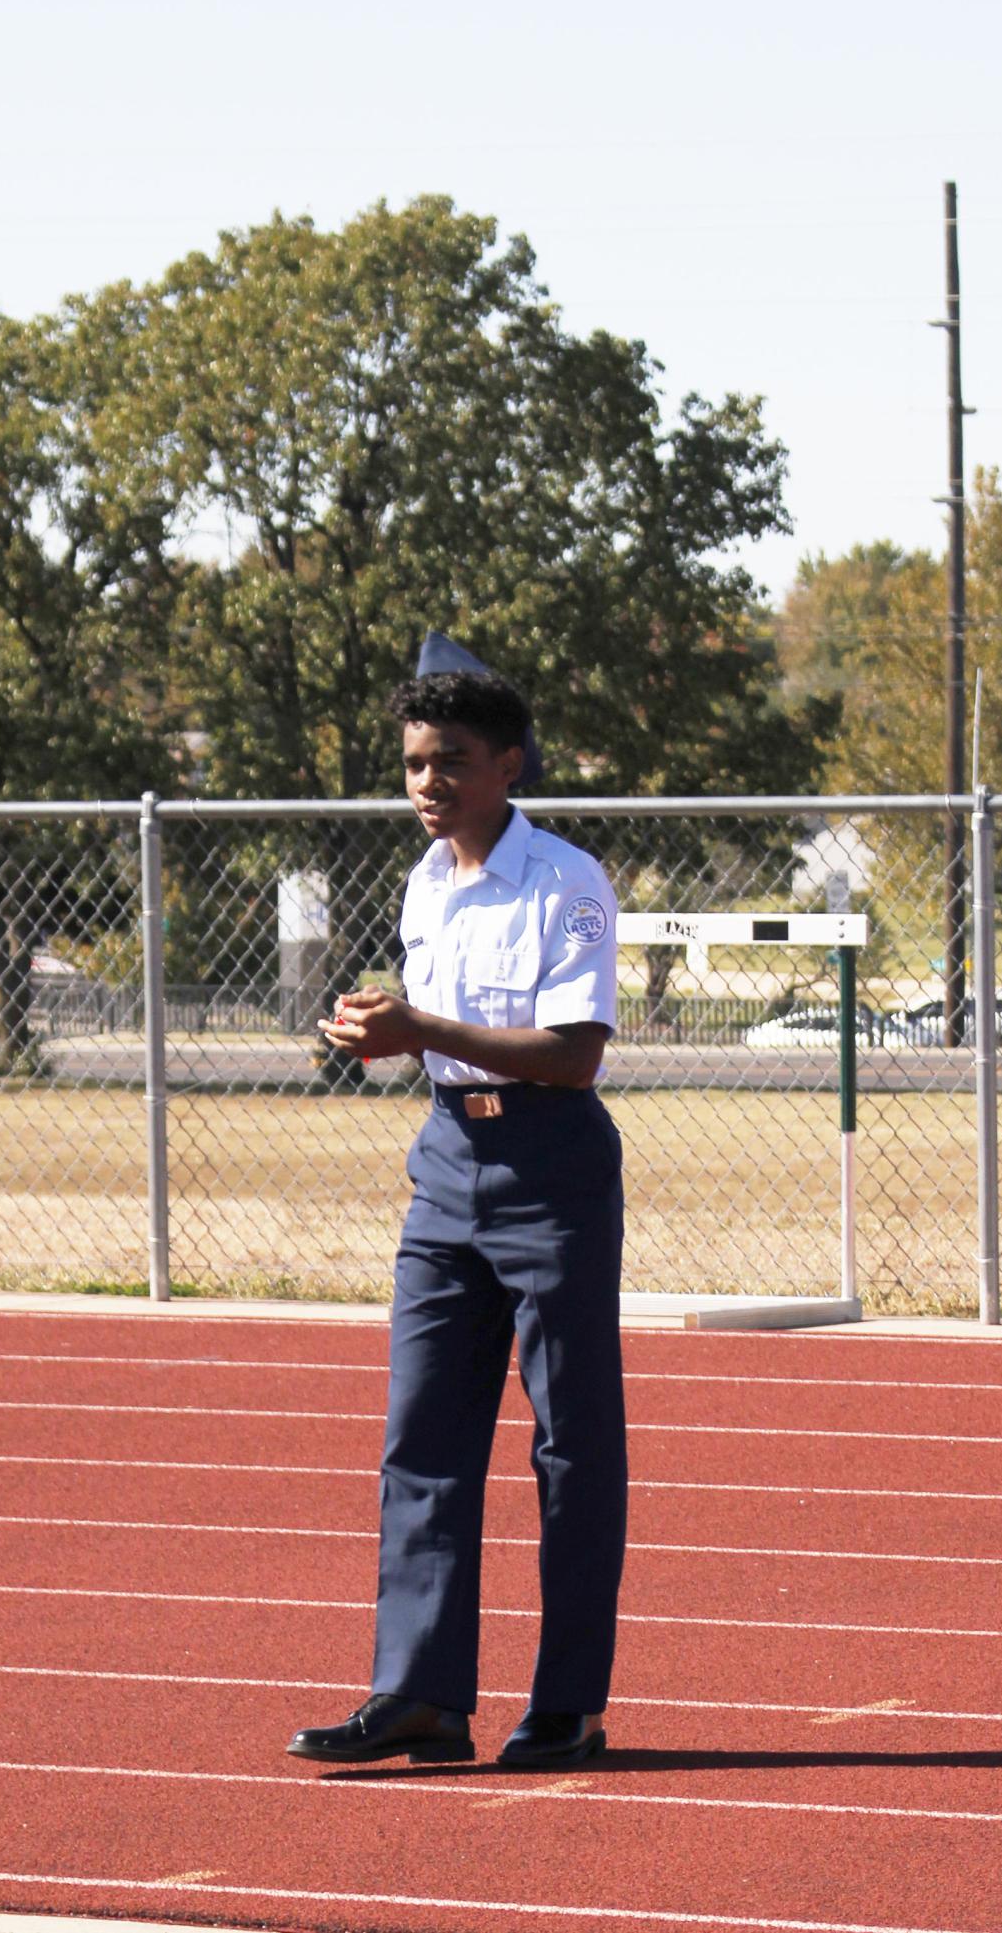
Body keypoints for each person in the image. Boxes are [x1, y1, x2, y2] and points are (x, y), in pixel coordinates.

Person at [287, 645, 626, 1771]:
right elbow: (429, 1034)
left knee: (570, 1447)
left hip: (550, 1171)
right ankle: (423, 1695)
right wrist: (378, 1030)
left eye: (451, 764)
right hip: (445, 1166)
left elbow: (573, 1056)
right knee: (421, 1437)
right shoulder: (425, 879)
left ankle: (567, 1705)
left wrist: (421, 1029)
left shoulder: (567, 880)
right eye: (414, 766)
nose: (428, 786)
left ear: (509, 763)